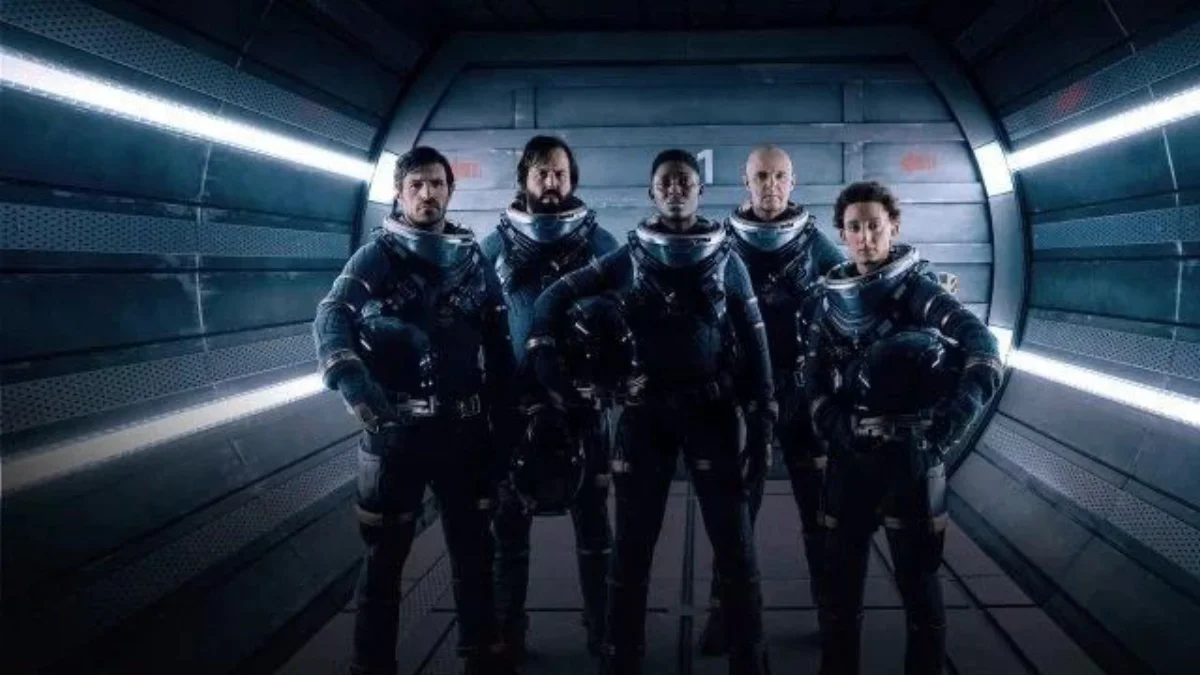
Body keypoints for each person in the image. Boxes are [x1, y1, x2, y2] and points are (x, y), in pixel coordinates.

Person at [525, 149, 775, 675]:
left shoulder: (728, 260)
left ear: (700, 190)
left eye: (685, 181)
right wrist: (552, 364)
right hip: (645, 417)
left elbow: (757, 348)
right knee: (633, 547)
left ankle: (749, 658)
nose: (676, 189)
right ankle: (622, 658)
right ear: (652, 192)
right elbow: (550, 302)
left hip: (711, 414)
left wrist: (762, 423)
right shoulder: (627, 259)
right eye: (666, 182)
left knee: (734, 544)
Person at [313, 147, 519, 675]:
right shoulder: (376, 257)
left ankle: (483, 657)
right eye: (417, 185)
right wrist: (354, 384)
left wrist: (505, 435)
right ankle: (371, 665)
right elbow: (332, 316)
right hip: (397, 434)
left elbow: (499, 352)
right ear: (400, 194)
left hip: (464, 433)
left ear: (450, 190)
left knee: (475, 554)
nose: (428, 194)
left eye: (437, 184)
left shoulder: (472, 259)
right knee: (384, 561)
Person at [800, 181, 1003, 675]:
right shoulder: (827, 301)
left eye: (874, 225)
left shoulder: (918, 292)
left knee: (919, 590)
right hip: (850, 456)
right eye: (854, 227)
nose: (865, 237)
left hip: (909, 455)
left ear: (893, 226)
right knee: (840, 588)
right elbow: (812, 377)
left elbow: (984, 348)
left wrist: (950, 425)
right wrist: (834, 424)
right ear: (842, 234)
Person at [700, 145, 847, 654]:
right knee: (736, 514)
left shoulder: (815, 245)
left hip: (802, 393)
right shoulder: (721, 243)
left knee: (819, 512)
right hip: (743, 396)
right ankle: (726, 614)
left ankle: (831, 614)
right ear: (746, 182)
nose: (771, 186)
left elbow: (851, 291)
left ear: (793, 181)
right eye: (761, 176)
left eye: (779, 176)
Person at [480, 136, 619, 660]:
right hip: (516, 407)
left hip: (580, 405)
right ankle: (507, 632)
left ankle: (602, 627)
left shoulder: (599, 243)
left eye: (560, 172)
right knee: (509, 529)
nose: (551, 182)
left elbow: (630, 309)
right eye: (541, 173)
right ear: (524, 179)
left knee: (594, 526)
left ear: (572, 179)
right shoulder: (493, 247)